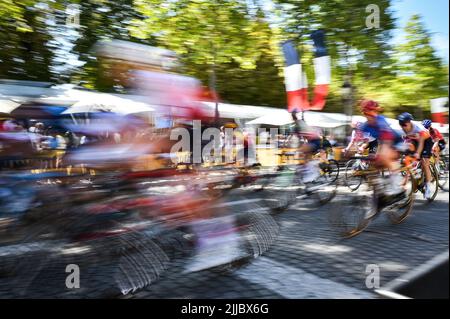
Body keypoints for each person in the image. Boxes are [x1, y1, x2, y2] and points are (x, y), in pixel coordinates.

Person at [359, 100, 405, 199]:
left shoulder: (381, 120)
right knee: (372, 166)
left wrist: (379, 154)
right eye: (367, 112)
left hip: (396, 142)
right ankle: (381, 192)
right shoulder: (365, 126)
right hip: (383, 143)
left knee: (385, 157)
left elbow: (387, 140)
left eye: (373, 112)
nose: (371, 115)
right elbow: (369, 142)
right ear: (364, 113)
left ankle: (398, 187)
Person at [398, 113, 433, 199]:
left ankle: (428, 186)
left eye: (404, 125)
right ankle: (413, 176)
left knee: (424, 162)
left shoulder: (418, 128)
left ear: (410, 122)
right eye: (401, 125)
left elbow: (421, 144)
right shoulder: (402, 129)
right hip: (415, 141)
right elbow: (404, 142)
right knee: (407, 158)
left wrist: (417, 153)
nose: (403, 127)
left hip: (426, 141)